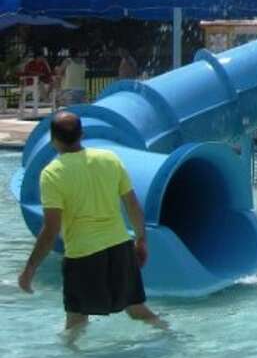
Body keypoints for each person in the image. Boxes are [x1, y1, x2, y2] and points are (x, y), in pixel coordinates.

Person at [18, 111, 166, 342]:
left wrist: (30, 269)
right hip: (120, 247)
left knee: (76, 320)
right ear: (82, 134)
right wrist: (141, 240)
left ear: (53, 139)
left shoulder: (52, 174)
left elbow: (50, 229)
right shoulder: (110, 159)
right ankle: (171, 337)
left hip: (83, 254)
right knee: (137, 310)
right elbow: (133, 206)